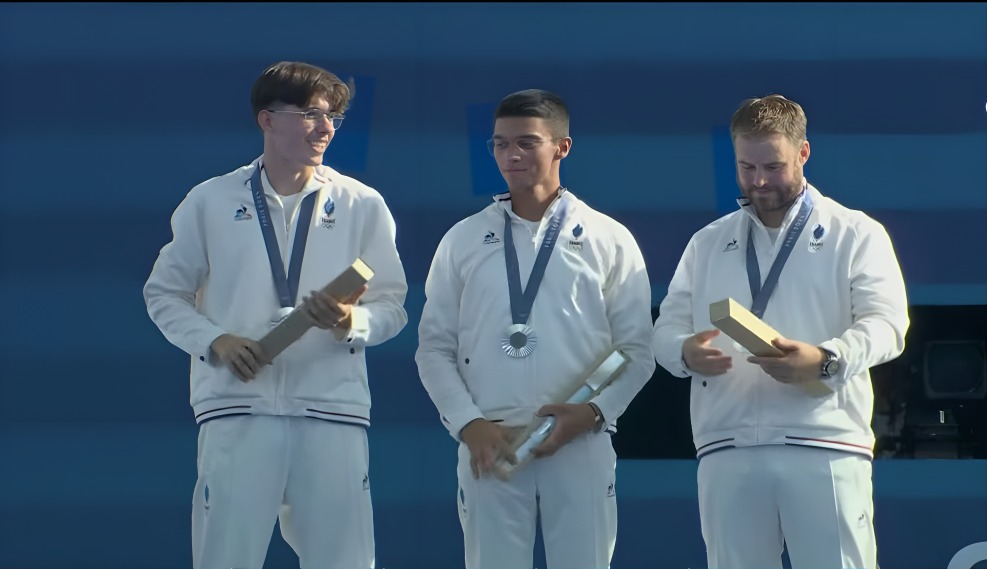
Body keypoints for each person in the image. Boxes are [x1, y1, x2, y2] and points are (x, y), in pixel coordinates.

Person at [143, 61, 408, 569]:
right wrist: (216, 340)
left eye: (332, 118)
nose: (325, 128)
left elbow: (392, 306)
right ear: (267, 119)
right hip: (238, 409)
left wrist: (350, 323)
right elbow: (164, 294)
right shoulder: (211, 200)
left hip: (332, 411)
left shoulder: (361, 204)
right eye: (310, 114)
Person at [651, 94, 909, 569]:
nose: (759, 181)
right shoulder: (708, 242)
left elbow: (888, 324)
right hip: (726, 445)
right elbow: (666, 328)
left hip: (825, 441)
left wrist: (826, 359)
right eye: (746, 167)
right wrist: (685, 352)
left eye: (773, 166)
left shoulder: (855, 232)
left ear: (803, 152)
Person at [415, 89, 655, 569]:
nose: (512, 155)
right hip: (491, 444)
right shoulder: (463, 239)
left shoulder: (608, 237)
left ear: (562, 147)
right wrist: (469, 423)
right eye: (501, 144)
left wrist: (593, 413)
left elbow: (635, 351)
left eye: (527, 142)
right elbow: (434, 348)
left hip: (579, 444)